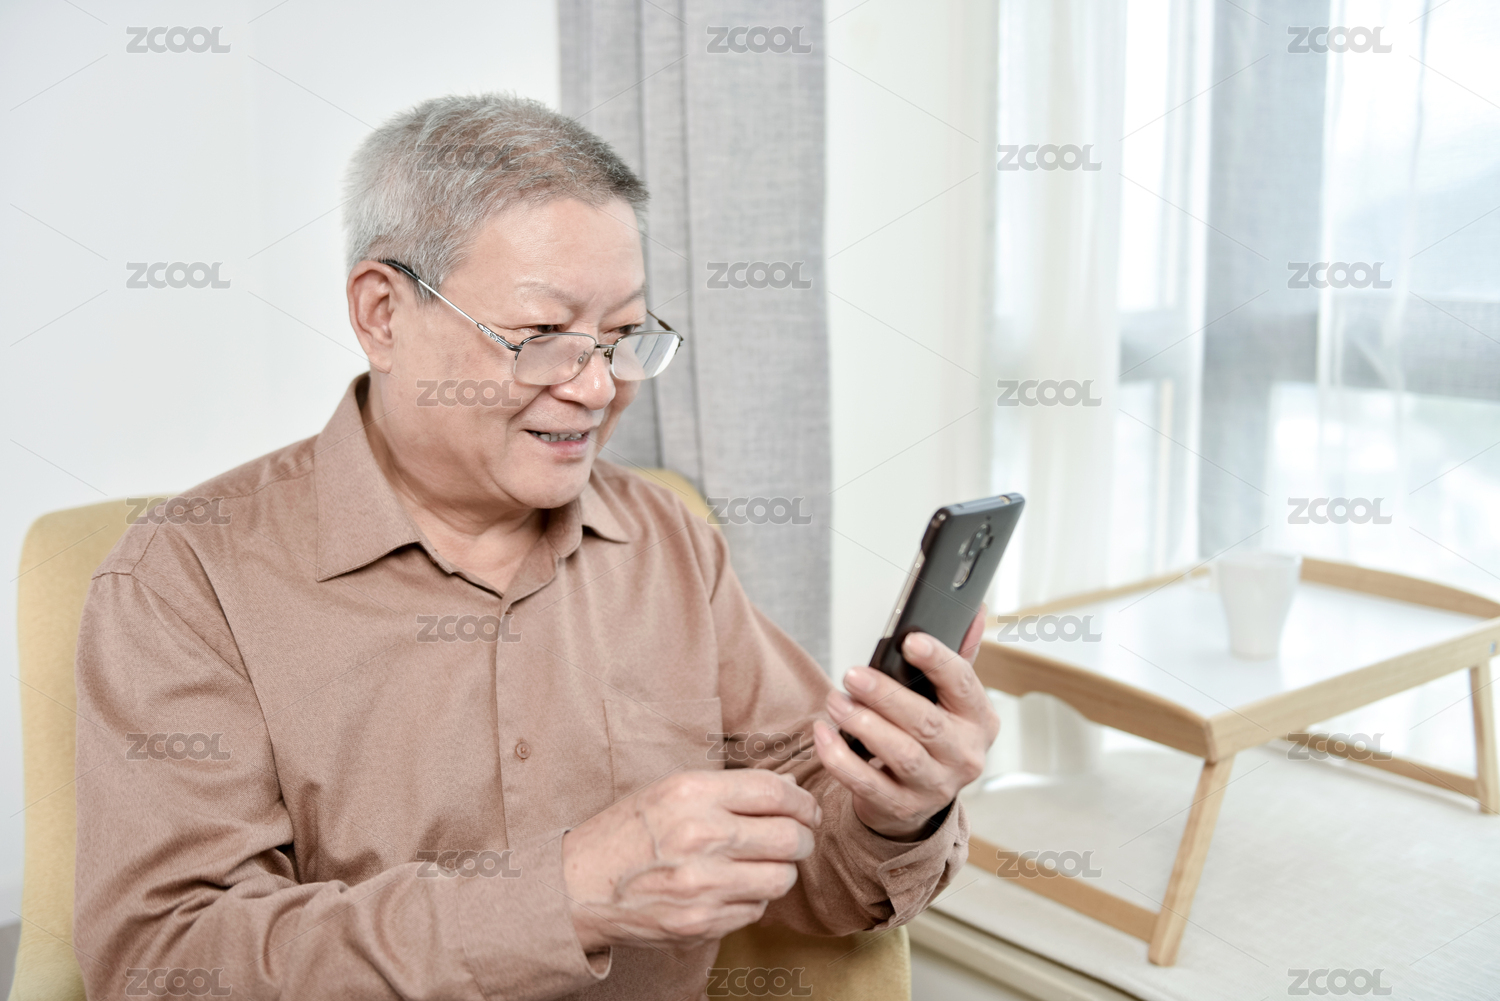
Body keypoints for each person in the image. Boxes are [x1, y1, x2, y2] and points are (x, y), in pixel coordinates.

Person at [73, 93, 998, 1000]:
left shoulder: (666, 536)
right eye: (543, 336)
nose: (596, 388)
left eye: (622, 335)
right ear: (383, 314)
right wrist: (568, 897)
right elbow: (166, 959)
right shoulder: (184, 577)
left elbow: (810, 856)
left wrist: (896, 808)